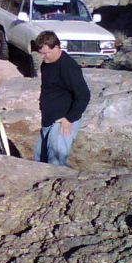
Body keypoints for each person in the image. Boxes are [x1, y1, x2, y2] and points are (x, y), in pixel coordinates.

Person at [33, 30, 90, 166]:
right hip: (48, 119)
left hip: (62, 121)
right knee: (39, 159)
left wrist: (70, 118)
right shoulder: (46, 64)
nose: (43, 57)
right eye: (41, 53)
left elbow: (84, 95)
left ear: (57, 47)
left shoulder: (69, 67)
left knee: (55, 162)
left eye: (46, 53)